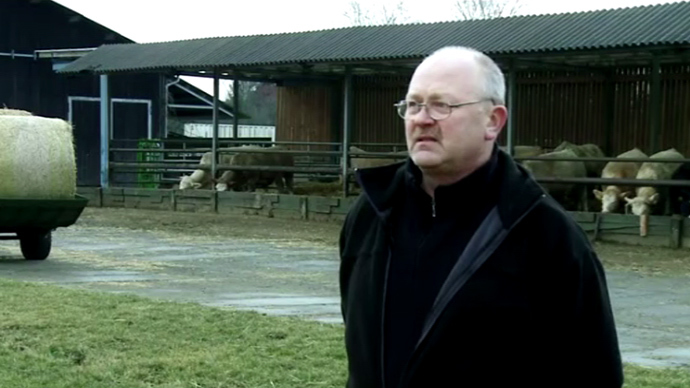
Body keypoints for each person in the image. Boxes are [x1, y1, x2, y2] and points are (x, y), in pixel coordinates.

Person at [338, 46, 623, 388]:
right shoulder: (370, 214)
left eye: (442, 105)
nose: (421, 118)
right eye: (413, 105)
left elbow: (594, 372)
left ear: (492, 121)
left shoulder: (545, 234)